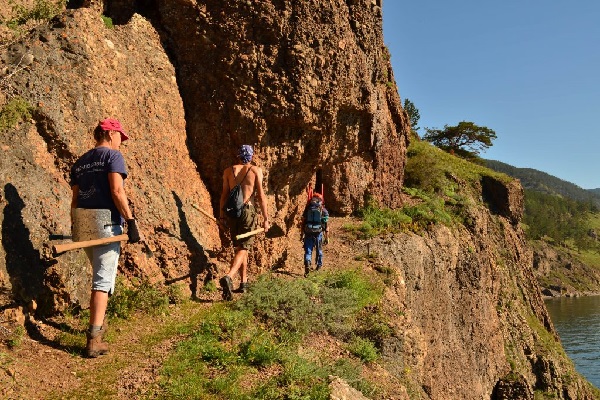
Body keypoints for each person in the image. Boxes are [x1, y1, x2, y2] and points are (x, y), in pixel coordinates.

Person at [70, 118, 140, 358]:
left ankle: (99, 323)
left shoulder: (80, 162)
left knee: (102, 276)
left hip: (85, 226)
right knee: (102, 281)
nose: (121, 141)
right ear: (110, 134)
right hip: (107, 225)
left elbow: (75, 201)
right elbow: (117, 191)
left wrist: (76, 227)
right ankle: (94, 339)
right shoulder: (113, 157)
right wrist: (130, 221)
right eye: (120, 136)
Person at [218, 145, 269, 300]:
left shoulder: (228, 171)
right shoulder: (255, 171)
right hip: (247, 211)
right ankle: (229, 276)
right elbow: (261, 196)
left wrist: (221, 216)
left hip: (232, 213)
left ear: (238, 156)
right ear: (251, 156)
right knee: (244, 247)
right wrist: (266, 219)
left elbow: (224, 195)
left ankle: (244, 282)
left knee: (241, 248)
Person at [301, 192, 329, 277]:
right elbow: (326, 225)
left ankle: (307, 263)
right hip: (318, 232)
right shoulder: (323, 209)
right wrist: (327, 237)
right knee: (319, 249)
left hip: (308, 231)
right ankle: (319, 265)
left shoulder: (308, 208)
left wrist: (301, 234)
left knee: (308, 250)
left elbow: (303, 222)